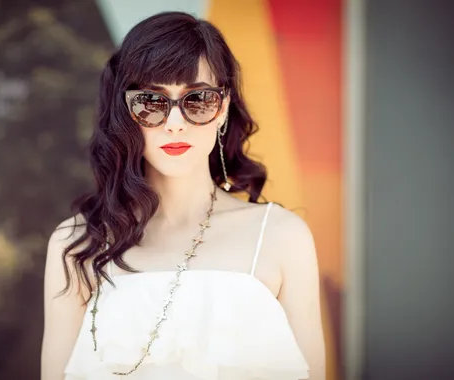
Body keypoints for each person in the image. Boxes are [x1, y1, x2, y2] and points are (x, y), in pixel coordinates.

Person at [41, 11, 325, 380]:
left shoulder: (282, 237)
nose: (175, 122)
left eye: (198, 100)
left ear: (222, 108)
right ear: (126, 112)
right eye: (152, 102)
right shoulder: (77, 243)